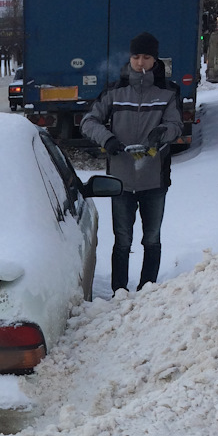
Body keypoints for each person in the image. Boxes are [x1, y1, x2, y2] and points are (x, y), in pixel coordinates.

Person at [81, 32, 183, 292]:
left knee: (151, 239)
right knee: (122, 240)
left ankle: (147, 290)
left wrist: (164, 132)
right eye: (136, 56)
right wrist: (108, 139)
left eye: (146, 57)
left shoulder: (168, 92)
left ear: (155, 59)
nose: (140, 62)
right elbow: (88, 121)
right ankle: (119, 292)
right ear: (130, 57)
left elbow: (176, 125)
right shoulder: (115, 91)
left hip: (154, 180)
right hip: (121, 181)